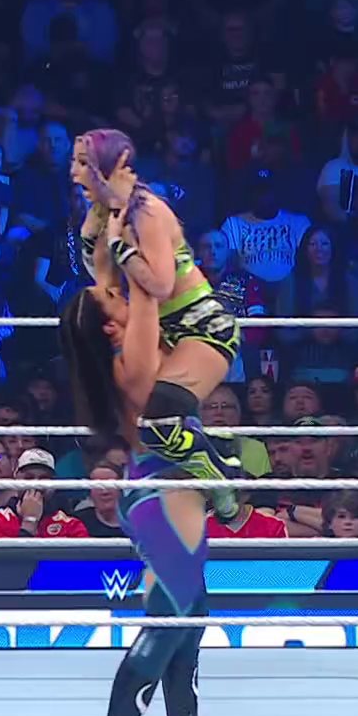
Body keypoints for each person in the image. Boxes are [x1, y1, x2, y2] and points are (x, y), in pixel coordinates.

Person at [58, 230, 233, 716]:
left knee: (191, 616)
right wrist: (128, 240)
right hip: (161, 494)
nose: (119, 292)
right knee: (168, 620)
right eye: (112, 297)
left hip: (167, 490)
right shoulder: (131, 357)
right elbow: (152, 288)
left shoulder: (126, 355)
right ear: (110, 326)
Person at [71, 129, 244, 523]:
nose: (74, 173)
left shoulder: (147, 210)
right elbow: (105, 283)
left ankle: (219, 475)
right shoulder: (107, 213)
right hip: (164, 334)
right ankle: (219, 455)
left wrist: (119, 246)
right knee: (140, 421)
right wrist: (91, 236)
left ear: (107, 167)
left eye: (82, 163)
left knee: (158, 424)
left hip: (201, 327)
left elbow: (161, 284)